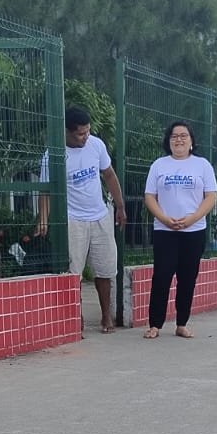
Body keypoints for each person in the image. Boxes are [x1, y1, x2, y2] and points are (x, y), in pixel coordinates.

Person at [36, 106, 126, 334]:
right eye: (80, 134)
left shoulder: (96, 145)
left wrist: (120, 206)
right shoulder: (53, 155)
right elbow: (45, 191)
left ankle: (106, 316)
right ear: (66, 132)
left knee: (105, 269)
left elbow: (109, 174)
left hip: (99, 216)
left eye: (88, 131)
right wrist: (43, 219)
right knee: (73, 272)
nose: (86, 137)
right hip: (73, 220)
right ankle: (77, 316)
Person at [143, 121, 217, 339]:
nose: (179, 140)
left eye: (183, 135)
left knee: (187, 279)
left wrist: (192, 219)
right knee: (161, 277)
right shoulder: (159, 165)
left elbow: (211, 197)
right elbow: (150, 197)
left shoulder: (202, 165)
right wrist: (164, 219)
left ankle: (182, 323)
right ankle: (155, 324)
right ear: (168, 141)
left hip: (193, 232)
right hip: (164, 231)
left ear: (191, 140)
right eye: (174, 136)